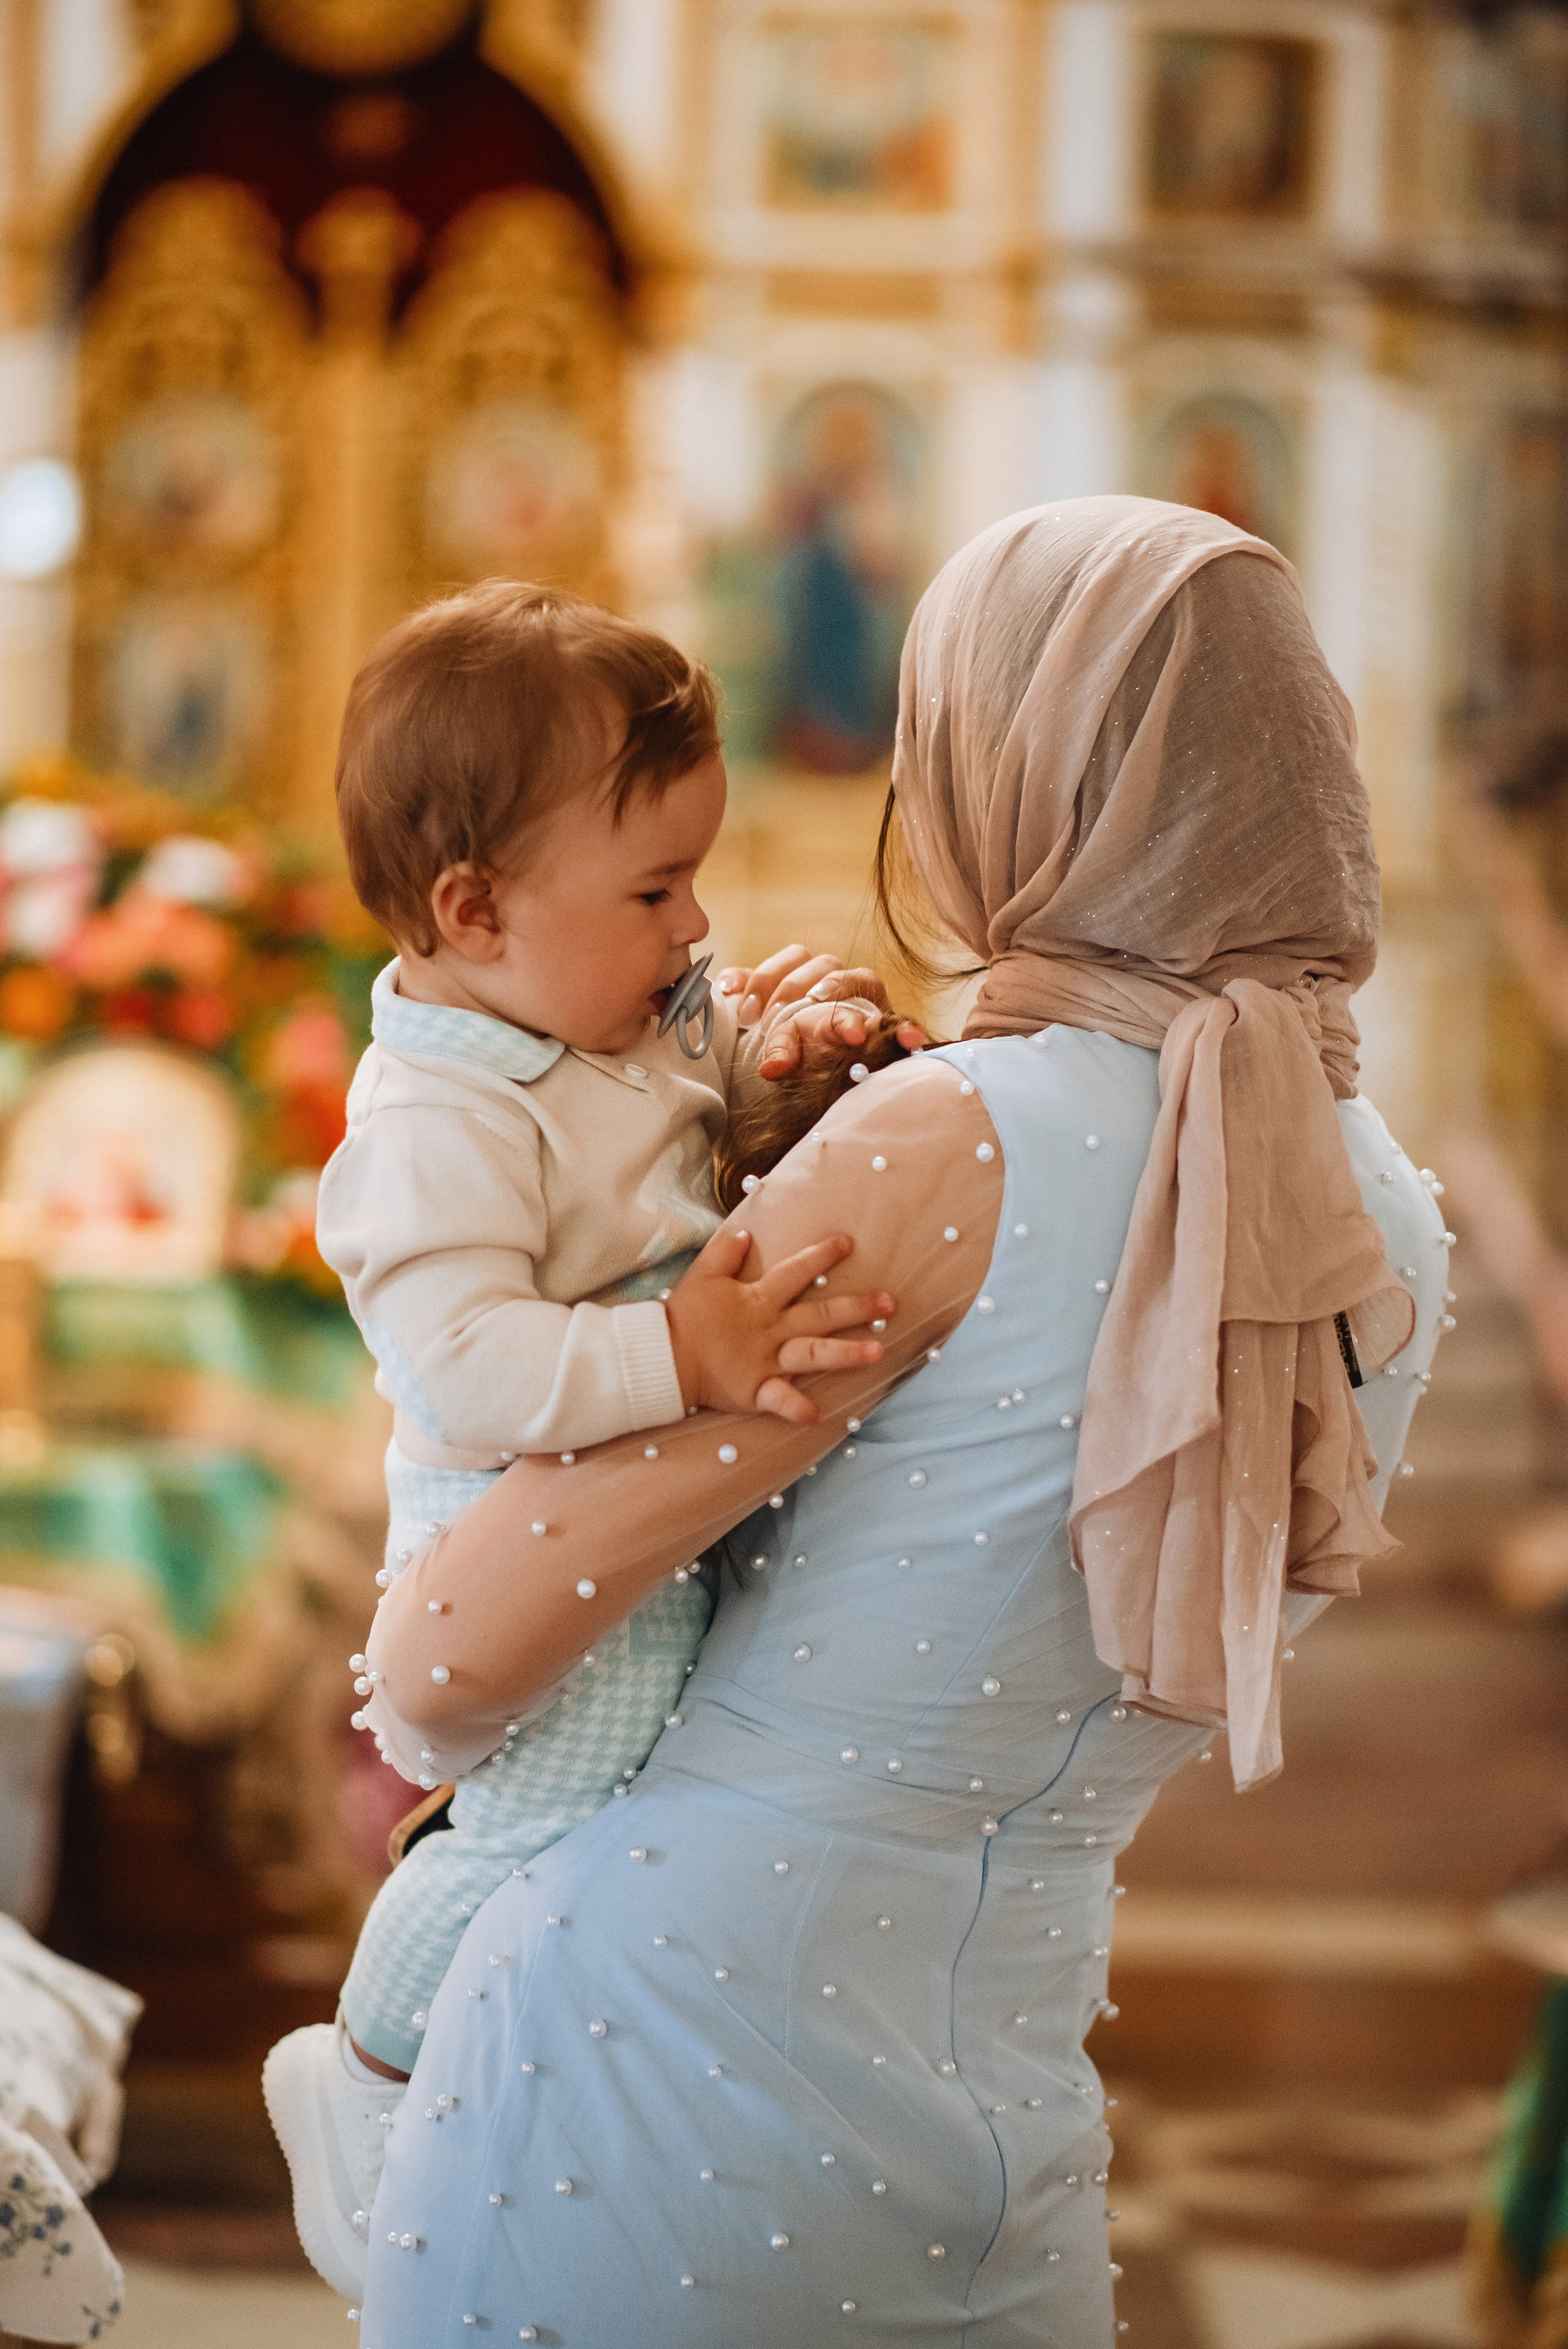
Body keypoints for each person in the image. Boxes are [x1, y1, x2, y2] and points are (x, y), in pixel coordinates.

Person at [353, 498, 1452, 2346]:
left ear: (1010, 773)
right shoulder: (1371, 1204)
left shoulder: (952, 1136)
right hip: (1008, 2084)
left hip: (656, 2061)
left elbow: (446, 1667)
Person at [262, 581, 917, 2298]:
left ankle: (570, 2085)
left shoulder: (606, 1005)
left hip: (639, 1495)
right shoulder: (439, 1117)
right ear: (474, 911)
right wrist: (682, 1348)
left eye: (694, 878)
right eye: (655, 888)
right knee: (540, 1825)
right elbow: (469, 1365)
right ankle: (368, 2075)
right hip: (521, 1536)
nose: (696, 922)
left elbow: (703, 1124)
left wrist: (788, 1062)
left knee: (651, 1813)